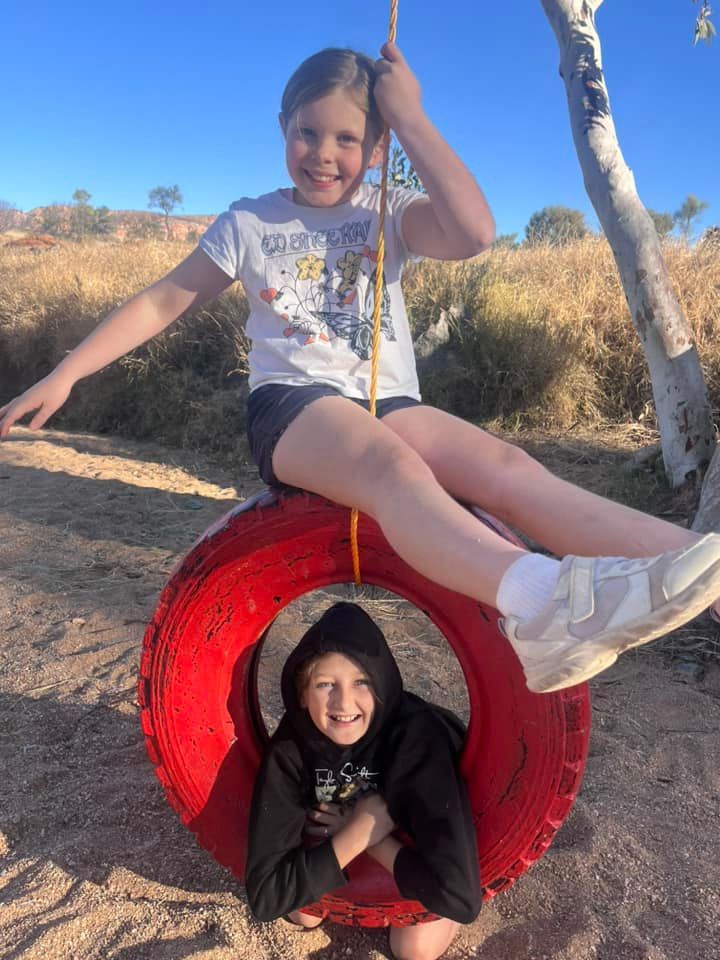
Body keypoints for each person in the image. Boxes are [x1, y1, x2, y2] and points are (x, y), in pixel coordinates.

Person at [2, 43, 720, 694]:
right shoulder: (249, 223)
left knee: (507, 466)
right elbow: (163, 301)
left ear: (377, 148)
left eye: (349, 138)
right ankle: (541, 604)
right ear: (283, 126)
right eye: (307, 132)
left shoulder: (391, 213)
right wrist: (65, 373)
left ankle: (695, 564)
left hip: (389, 401)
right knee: (391, 468)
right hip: (293, 408)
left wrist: (411, 118)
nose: (324, 152)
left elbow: (473, 233)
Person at [245, 601, 480, 959]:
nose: (344, 702)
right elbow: (266, 898)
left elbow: (460, 897)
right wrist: (355, 834)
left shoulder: (416, 739)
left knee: (413, 950)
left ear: (382, 686)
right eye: (325, 684)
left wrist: (373, 835)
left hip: (415, 839)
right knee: (303, 914)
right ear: (302, 695)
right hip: (352, 833)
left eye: (362, 682)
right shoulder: (291, 748)